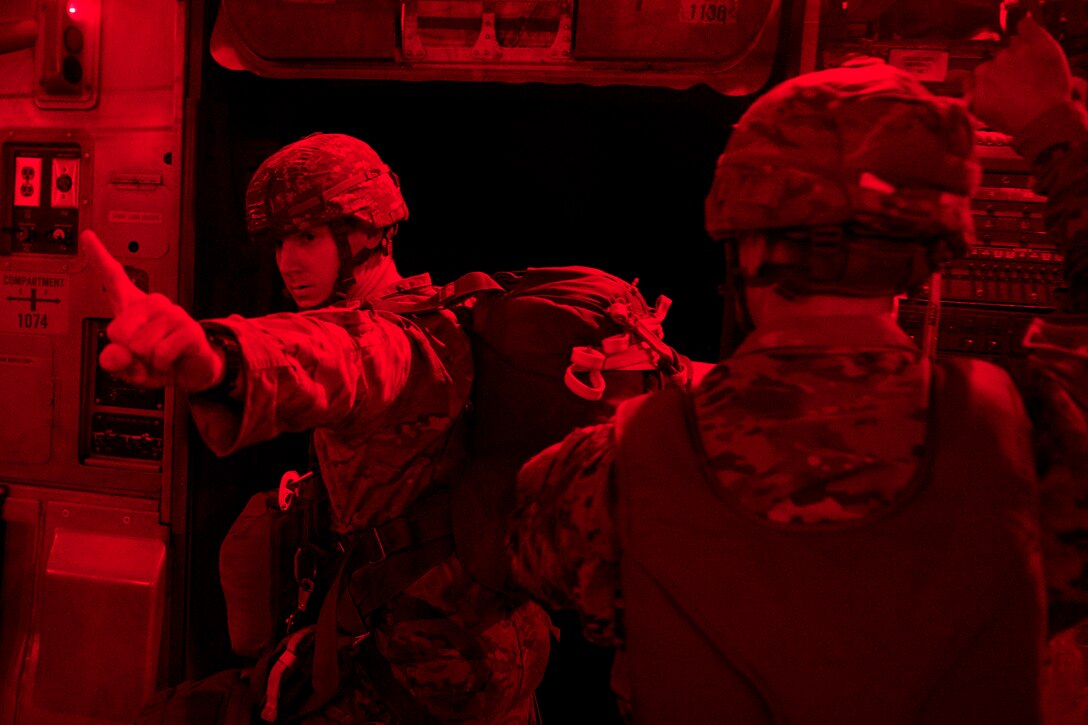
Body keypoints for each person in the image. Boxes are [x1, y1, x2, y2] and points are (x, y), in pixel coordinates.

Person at [505, 16, 1088, 724]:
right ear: (931, 251)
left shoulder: (608, 468)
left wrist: (635, 413)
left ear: (743, 242)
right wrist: (1052, 127)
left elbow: (540, 559)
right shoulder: (1032, 436)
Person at [88, 132, 551, 723]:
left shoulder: (400, 341)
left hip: (425, 672)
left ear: (366, 236)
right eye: (280, 241)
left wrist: (213, 357)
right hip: (480, 657)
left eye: (306, 236)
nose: (287, 262)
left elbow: (330, 356)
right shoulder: (436, 315)